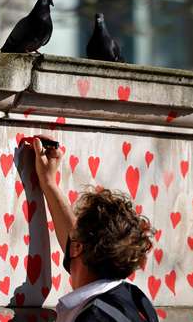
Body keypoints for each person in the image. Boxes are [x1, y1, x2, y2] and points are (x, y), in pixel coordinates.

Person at [31, 137, 159, 322]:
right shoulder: (135, 299)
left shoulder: (94, 317)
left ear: (78, 247)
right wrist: (48, 182)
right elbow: (74, 235)